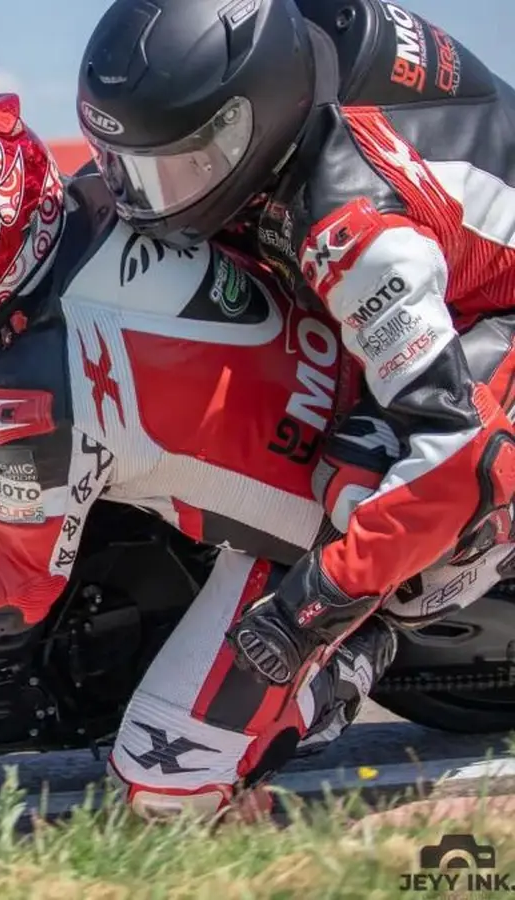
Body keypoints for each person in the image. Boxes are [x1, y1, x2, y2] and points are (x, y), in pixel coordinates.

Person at [0, 91, 510, 821]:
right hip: (347, 381)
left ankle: (357, 646)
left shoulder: (44, 394)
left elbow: (3, 593)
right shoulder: (97, 196)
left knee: (164, 783)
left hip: (354, 512)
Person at [74, 0, 515, 698]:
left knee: (362, 474)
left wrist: (308, 607)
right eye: (125, 166)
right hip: (451, 275)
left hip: (494, 313)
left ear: (255, 120)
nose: (146, 201)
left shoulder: (356, 227)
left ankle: (368, 642)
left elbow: (456, 451)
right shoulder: (283, 51)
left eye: (178, 170)